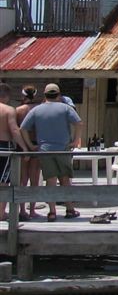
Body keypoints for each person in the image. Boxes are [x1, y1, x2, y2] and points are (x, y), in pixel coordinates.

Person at [19, 83, 83, 221]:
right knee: (65, 179)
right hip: (63, 149)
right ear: (59, 95)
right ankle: (70, 209)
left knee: (50, 180)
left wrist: (30, 145)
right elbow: (79, 123)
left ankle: (52, 212)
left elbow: (23, 128)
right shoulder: (66, 108)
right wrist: (75, 140)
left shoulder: (37, 110)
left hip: (45, 150)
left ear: (45, 95)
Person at [0, 84, 30, 221]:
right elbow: (14, 130)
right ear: (6, 96)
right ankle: (0, 213)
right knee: (4, 181)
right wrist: (24, 147)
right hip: (4, 147)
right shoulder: (8, 110)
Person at [15, 85, 42, 220]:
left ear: (23, 95)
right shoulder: (39, 109)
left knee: (22, 180)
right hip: (36, 146)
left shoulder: (18, 110)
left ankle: (22, 210)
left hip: (22, 147)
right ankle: (32, 210)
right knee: (34, 179)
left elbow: (16, 130)